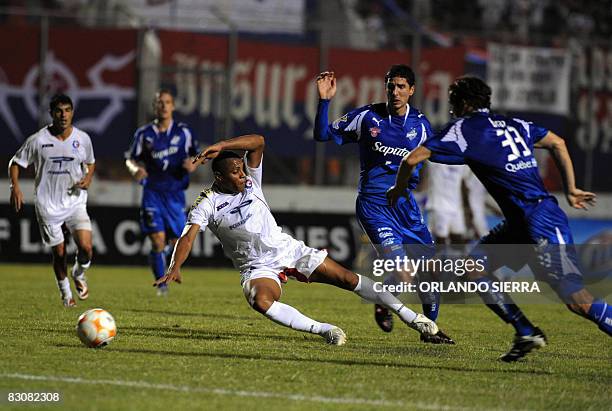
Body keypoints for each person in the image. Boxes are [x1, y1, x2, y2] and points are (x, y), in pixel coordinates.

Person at [388, 76, 612, 361]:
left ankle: (527, 328)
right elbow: (557, 142)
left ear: (465, 102)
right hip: (520, 222)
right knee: (473, 267)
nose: (451, 103)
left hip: (540, 219)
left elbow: (411, 159)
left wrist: (397, 189)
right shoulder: (513, 123)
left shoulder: (463, 129)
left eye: (453, 96)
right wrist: (571, 189)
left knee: (577, 300)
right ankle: (525, 330)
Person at [154, 134, 444, 345]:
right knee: (260, 299)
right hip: (257, 267)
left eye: (242, 169)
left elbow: (258, 141)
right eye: (234, 172)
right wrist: (174, 266)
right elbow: (188, 237)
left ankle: (412, 317)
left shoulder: (252, 180)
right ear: (218, 178)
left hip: (288, 250)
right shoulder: (207, 202)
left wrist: (222, 145)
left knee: (347, 278)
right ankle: (325, 330)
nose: (242, 175)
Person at [314, 65, 453, 344]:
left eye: (401, 86)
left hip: (406, 207)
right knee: (403, 273)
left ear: (412, 90)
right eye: (391, 86)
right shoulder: (367, 117)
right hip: (374, 206)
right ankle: (393, 306)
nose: (395, 91)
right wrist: (325, 101)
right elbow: (323, 135)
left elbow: (441, 155)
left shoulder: (422, 125)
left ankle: (430, 330)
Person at [8, 94, 95, 307]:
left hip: (75, 201)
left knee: (86, 248)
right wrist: (15, 187)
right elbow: (15, 163)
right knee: (59, 253)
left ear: (72, 112)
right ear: (51, 114)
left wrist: (88, 177)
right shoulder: (38, 140)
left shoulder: (82, 138)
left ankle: (79, 273)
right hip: (48, 205)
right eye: (59, 110)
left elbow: (90, 162)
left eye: (67, 110)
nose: (63, 115)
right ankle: (66, 295)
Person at [125, 89, 200, 295]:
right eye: (160, 103)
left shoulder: (184, 132)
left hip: (176, 195)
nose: (164, 106)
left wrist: (193, 164)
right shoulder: (143, 134)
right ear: (155, 107)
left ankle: (166, 256)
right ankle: (162, 287)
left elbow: (199, 155)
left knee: (178, 243)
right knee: (157, 239)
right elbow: (130, 159)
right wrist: (135, 169)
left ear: (173, 106)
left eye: (167, 102)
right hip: (152, 193)